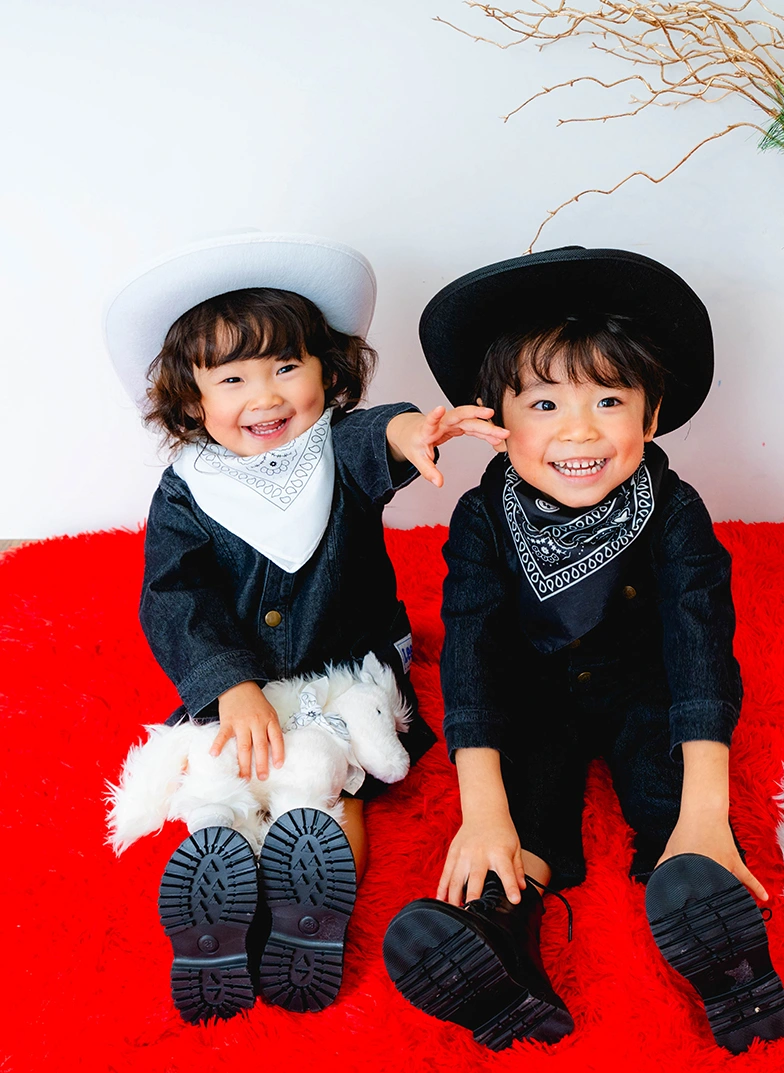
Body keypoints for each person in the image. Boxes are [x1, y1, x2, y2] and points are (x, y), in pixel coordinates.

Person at [382, 246, 784, 1054]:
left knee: (670, 794)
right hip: (536, 692)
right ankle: (500, 931)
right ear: (497, 423)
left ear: (651, 414)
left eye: (609, 400)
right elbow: (471, 655)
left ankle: (724, 944)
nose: (579, 431)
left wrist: (707, 812)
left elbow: (701, 648)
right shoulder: (482, 517)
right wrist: (482, 813)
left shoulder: (674, 509)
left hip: (648, 686)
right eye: (543, 404)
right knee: (525, 801)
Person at [103, 232, 507, 1023]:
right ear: (191, 399)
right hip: (243, 675)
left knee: (328, 786)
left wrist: (412, 432)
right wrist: (229, 684)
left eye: (287, 367)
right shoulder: (187, 488)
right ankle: (223, 893)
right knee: (225, 776)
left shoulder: (337, 447)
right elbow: (174, 595)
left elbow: (379, 433)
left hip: (342, 668)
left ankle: (313, 911)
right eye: (233, 378)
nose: (266, 396)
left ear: (327, 371)